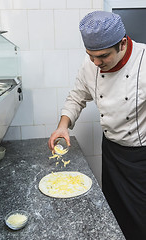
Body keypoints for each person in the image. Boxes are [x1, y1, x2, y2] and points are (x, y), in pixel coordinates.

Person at [48, 11, 146, 240]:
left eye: (102, 56)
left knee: (140, 219)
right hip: (111, 150)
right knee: (112, 210)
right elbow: (76, 97)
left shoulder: (144, 61)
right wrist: (63, 126)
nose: (96, 63)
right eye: (90, 56)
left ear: (122, 44)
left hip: (140, 157)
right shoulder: (91, 63)